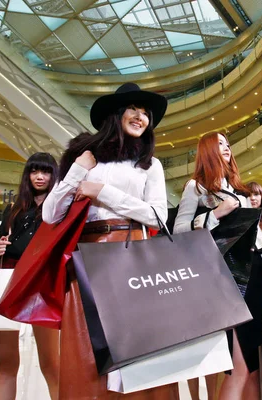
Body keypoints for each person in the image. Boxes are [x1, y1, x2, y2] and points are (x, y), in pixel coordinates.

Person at [42, 82, 179, 399]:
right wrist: (78, 170)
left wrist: (101, 192)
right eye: (133, 108)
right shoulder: (84, 157)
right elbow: (51, 214)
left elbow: (158, 217)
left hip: (132, 257)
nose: (140, 117)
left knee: (137, 350)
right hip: (87, 262)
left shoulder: (149, 164)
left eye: (145, 113)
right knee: (88, 353)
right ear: (116, 114)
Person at [173, 133, 262, 400]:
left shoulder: (240, 190)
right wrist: (216, 214)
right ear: (207, 149)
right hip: (225, 275)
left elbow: (257, 239)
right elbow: (180, 230)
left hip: (252, 273)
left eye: (228, 144)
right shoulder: (195, 187)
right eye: (219, 143)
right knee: (237, 366)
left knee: (253, 366)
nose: (226, 148)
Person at [0, 153, 60, 400]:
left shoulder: (59, 208)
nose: (39, 177)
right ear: (27, 175)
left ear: (54, 175)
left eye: (46, 171)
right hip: (7, 280)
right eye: (34, 171)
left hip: (41, 282)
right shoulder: (12, 209)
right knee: (7, 364)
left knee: (52, 364)